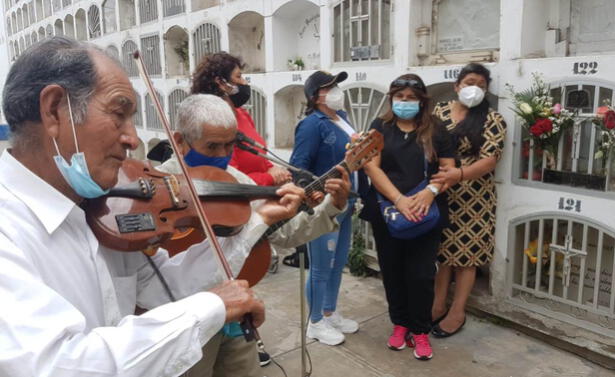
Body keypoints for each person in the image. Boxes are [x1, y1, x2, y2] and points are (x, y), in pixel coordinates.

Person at [0, 37, 302, 377]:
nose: (133, 139)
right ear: (55, 109)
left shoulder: (101, 212)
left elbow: (167, 286)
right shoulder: (8, 230)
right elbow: (59, 365)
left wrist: (254, 222)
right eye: (119, 113)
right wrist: (210, 308)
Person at [161, 94, 353, 377]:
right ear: (180, 141)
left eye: (228, 145)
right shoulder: (157, 187)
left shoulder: (238, 181)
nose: (221, 156)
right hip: (181, 326)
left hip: (236, 319)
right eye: (211, 146)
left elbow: (285, 233)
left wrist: (331, 206)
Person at [359, 74, 456, 360]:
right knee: (392, 271)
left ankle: (421, 330)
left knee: (422, 274)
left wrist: (430, 192)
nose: (405, 102)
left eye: (411, 98)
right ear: (392, 99)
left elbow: (448, 168)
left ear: (422, 101)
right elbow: (371, 167)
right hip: (387, 210)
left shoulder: (436, 129)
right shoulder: (380, 127)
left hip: (425, 211)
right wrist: (399, 200)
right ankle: (400, 324)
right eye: (399, 97)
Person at [430, 63, 507, 338]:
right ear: (457, 85)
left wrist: (459, 173)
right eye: (470, 82)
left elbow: (489, 160)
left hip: (474, 199)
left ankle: (458, 310)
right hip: (442, 194)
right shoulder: (439, 112)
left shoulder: (493, 120)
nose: (475, 89)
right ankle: (438, 303)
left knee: (466, 258)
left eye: (482, 86)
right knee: (444, 254)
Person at [290, 70, 359, 346]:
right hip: (322, 206)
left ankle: (330, 312)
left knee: (338, 262)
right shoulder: (311, 124)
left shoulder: (342, 119)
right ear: (314, 96)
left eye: (336, 85)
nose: (335, 90)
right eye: (329, 87)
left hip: (346, 202)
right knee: (320, 267)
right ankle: (315, 322)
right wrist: (313, 198)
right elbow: (299, 167)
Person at [191, 52, 291, 186]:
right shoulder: (214, 126)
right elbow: (229, 179)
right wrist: (269, 178)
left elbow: (260, 156)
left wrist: (272, 168)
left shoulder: (241, 114)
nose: (244, 82)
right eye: (238, 76)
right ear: (221, 82)